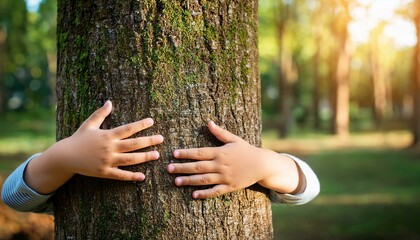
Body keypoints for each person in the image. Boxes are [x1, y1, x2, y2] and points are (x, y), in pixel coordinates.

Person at [1, 100, 320, 213]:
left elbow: (309, 188)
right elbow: (14, 198)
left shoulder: (254, 177)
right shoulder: (74, 175)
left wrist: (265, 164)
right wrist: (64, 157)